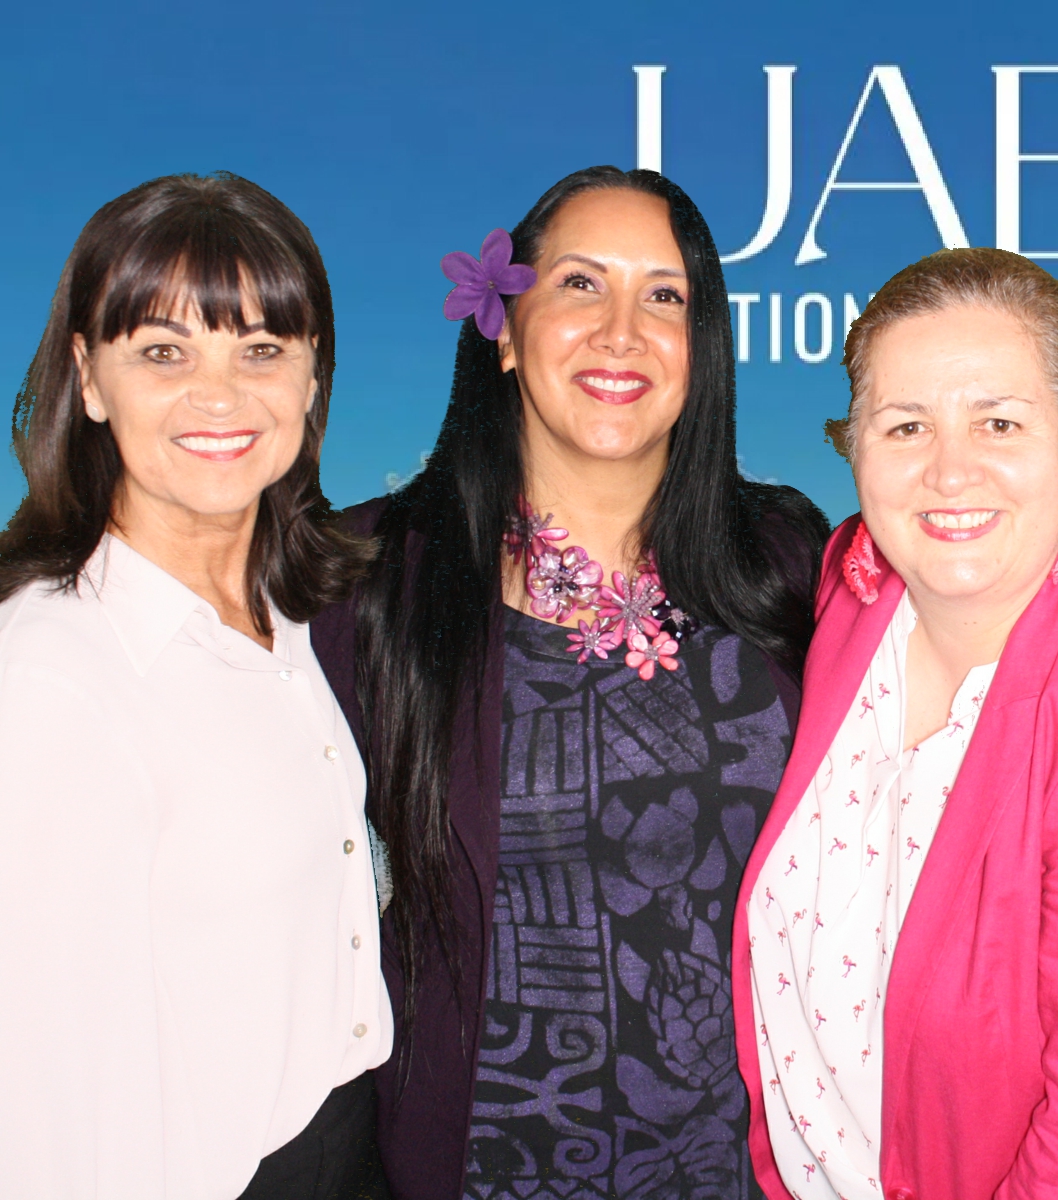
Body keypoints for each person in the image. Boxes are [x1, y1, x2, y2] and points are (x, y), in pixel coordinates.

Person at [308, 166, 828, 1200]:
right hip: (478, 1170)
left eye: (664, 296)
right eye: (581, 284)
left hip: (755, 1174)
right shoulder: (368, 582)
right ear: (505, 329)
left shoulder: (787, 560)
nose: (622, 332)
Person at [734, 247, 1058, 1200]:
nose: (950, 470)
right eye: (906, 426)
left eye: (1000, 421)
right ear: (854, 448)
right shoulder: (854, 592)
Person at [0, 174, 390, 1198]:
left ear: (313, 378)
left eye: (261, 350)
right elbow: (40, 1103)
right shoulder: (53, 675)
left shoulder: (297, 611)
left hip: (349, 1144)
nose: (220, 397)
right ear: (88, 378)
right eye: (163, 352)